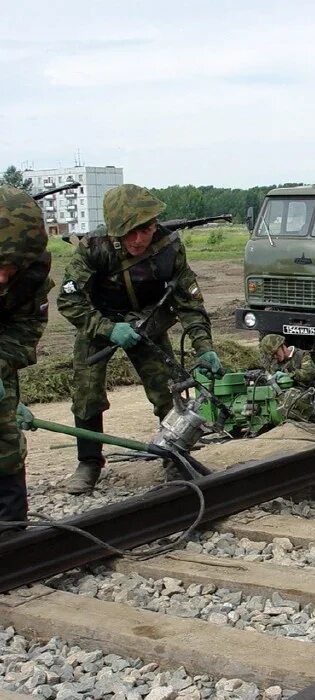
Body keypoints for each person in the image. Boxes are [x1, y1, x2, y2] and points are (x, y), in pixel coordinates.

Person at [57, 184, 223, 494]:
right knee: (87, 392)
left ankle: (175, 455)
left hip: (148, 323)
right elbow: (68, 300)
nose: (138, 240)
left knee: (167, 390)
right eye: (129, 233)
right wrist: (107, 329)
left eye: (144, 230)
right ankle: (89, 461)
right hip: (99, 322)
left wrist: (205, 349)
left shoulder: (169, 248)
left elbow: (190, 303)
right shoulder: (94, 248)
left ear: (154, 224)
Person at [0, 187, 53, 527]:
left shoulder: (30, 274)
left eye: (11, 267)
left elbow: (26, 328)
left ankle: (10, 533)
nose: (2, 278)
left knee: (3, 437)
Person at [258, 333, 315, 421]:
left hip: (309, 393)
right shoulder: (276, 362)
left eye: (276, 353)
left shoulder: (302, 355)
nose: (275, 357)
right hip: (288, 396)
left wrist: (289, 375)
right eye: (273, 355)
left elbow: (309, 374)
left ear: (282, 346)